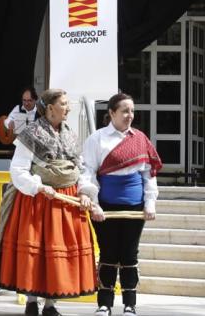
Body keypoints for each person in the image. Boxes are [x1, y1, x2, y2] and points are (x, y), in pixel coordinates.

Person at [0, 89, 96, 316]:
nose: (68, 108)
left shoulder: (70, 134)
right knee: (38, 249)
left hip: (65, 200)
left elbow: (80, 169)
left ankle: (51, 303)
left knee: (55, 251)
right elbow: (18, 169)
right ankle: (32, 299)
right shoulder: (31, 133)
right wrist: (38, 186)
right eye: (63, 104)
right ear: (50, 107)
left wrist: (85, 192)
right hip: (38, 200)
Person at [79, 93, 161, 316]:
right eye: (124, 111)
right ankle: (104, 303)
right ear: (112, 113)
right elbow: (88, 172)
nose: (129, 115)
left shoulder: (140, 139)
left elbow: (149, 174)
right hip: (105, 206)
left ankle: (130, 305)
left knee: (129, 255)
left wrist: (150, 203)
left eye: (132, 111)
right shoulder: (97, 139)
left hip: (134, 207)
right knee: (108, 254)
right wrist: (93, 203)